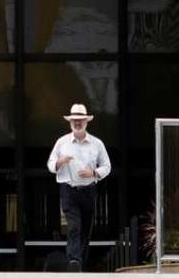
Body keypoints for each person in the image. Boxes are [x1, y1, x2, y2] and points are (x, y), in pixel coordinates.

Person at [47, 103, 112, 272]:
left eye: (80, 120)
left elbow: (107, 166)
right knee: (74, 226)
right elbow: (50, 163)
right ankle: (74, 260)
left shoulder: (97, 144)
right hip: (68, 190)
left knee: (85, 229)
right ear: (70, 122)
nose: (77, 123)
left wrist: (93, 173)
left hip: (89, 190)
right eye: (74, 120)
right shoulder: (61, 142)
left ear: (86, 122)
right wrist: (60, 162)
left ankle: (79, 262)